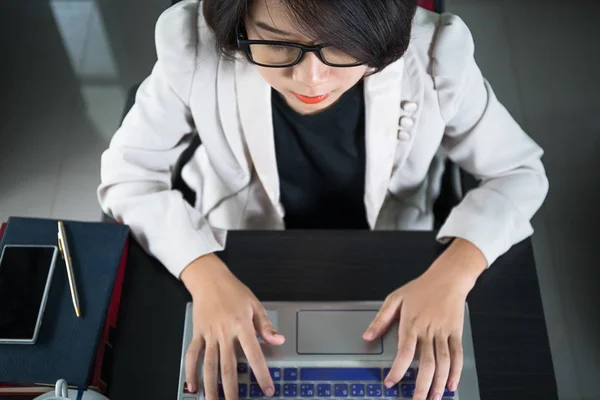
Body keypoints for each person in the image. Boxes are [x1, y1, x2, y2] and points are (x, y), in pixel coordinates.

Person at [98, 0, 548, 399]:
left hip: (394, 262)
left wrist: (455, 272)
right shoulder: (197, 46)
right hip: (245, 261)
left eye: (340, 47)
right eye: (277, 45)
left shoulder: (432, 54)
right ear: (240, 24)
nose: (310, 78)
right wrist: (203, 274)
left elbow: (519, 172)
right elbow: (126, 175)